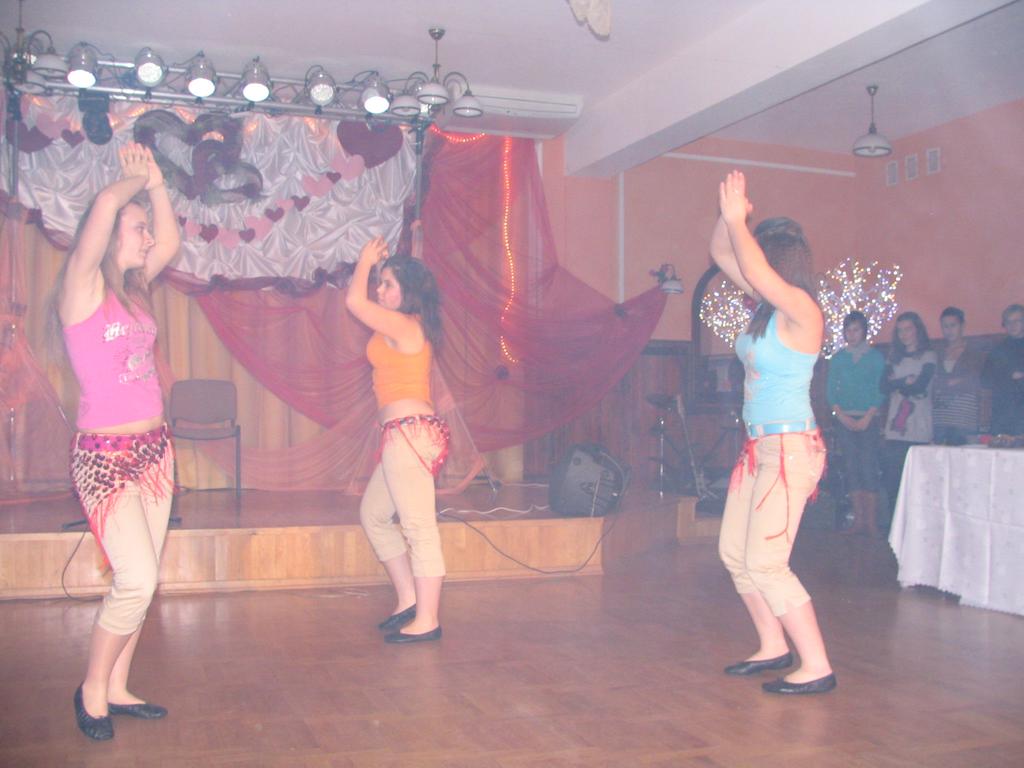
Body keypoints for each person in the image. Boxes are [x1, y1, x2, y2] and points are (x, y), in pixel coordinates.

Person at [53, 143, 180, 740]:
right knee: (136, 579)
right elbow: (105, 205)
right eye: (138, 230)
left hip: (155, 452)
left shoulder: (134, 289)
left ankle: (119, 686)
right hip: (104, 460)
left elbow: (172, 241)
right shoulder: (81, 288)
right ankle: (90, 689)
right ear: (107, 237)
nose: (149, 239)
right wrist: (130, 181)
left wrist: (155, 186)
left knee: (144, 578)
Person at [711, 171, 834, 695]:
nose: (752, 264)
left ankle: (817, 666)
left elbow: (754, 270)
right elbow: (722, 254)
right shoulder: (768, 308)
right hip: (758, 447)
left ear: (776, 261)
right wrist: (729, 216)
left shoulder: (802, 310)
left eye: (760, 255)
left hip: (790, 449)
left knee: (766, 562)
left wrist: (741, 222)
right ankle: (772, 645)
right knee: (734, 554)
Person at [345, 236, 449, 644]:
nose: (379, 289)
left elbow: (354, 302)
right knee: (374, 515)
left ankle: (428, 620)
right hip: (401, 434)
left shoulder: (406, 325)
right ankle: (409, 599)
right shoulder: (399, 324)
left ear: (408, 292)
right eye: (379, 282)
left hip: (409, 434)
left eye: (387, 284)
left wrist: (365, 260)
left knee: (419, 527)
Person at [826, 311, 885, 537]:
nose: (852, 334)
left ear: (864, 331)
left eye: (856, 329)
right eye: (848, 330)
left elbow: (880, 389)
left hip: (869, 418)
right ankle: (858, 520)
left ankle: (871, 522)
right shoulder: (839, 359)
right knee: (851, 467)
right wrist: (841, 415)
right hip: (844, 419)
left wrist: (868, 416)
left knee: (868, 466)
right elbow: (831, 391)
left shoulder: (876, 358)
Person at [881, 312, 937, 518]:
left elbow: (920, 385)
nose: (904, 334)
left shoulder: (928, 356)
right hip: (895, 430)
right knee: (893, 481)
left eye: (908, 329)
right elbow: (883, 386)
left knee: (918, 482)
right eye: (900, 330)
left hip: (918, 428)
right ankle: (895, 524)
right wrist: (905, 382)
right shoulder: (893, 358)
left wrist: (898, 384)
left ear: (917, 330)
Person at [932, 307, 983, 445]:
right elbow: (933, 382)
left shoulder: (974, 353)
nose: (949, 330)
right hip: (940, 418)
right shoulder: (937, 353)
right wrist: (953, 382)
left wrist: (948, 383)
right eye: (945, 326)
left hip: (964, 418)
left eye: (953, 325)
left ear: (962, 326)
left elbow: (974, 382)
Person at [981, 304, 1024, 435]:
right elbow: (984, 379)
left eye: (1017, 321)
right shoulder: (998, 349)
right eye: (1008, 322)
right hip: (1003, 413)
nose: (1012, 325)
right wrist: (1009, 376)